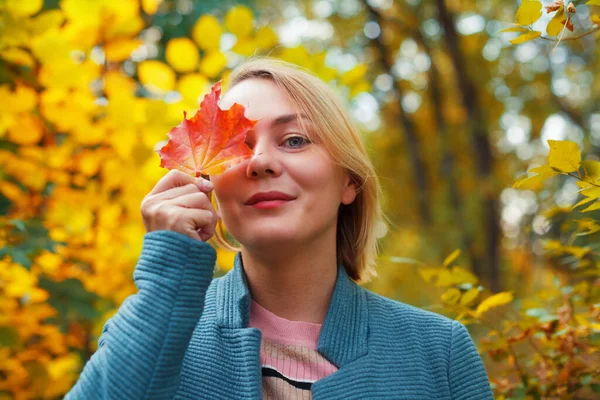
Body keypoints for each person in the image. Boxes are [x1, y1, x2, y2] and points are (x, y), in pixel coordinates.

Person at [65, 57, 494, 399]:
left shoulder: (439, 352)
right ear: (207, 180)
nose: (260, 162)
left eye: (294, 140)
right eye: (238, 146)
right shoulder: (151, 330)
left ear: (349, 181)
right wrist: (167, 278)